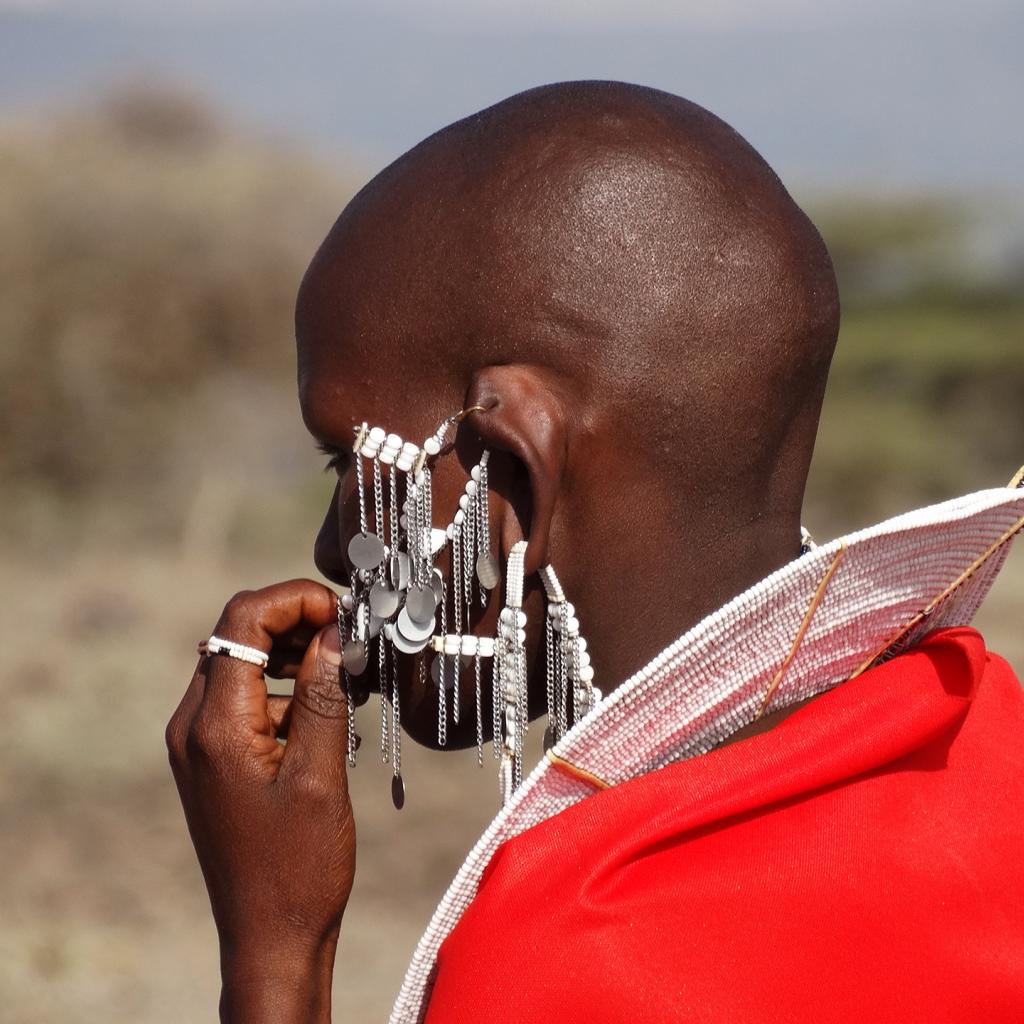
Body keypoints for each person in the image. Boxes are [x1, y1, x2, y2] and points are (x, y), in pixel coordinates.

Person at [166, 82, 1024, 1022]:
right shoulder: (984, 735)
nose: (332, 546)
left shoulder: (572, 968)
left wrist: (277, 953)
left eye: (347, 460)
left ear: (512, 475)